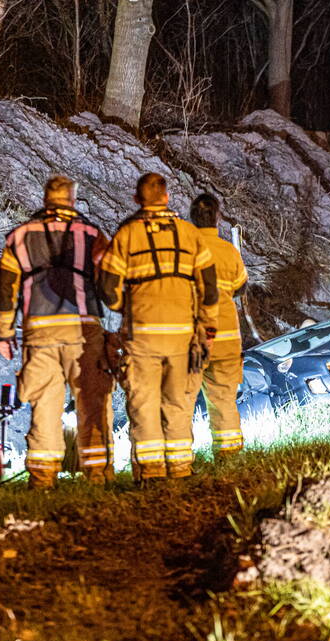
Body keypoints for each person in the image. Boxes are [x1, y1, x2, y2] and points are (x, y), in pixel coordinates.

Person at [0, 175, 115, 489]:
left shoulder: (20, 236)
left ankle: (43, 478)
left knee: (45, 405)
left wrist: (5, 334)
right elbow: (110, 283)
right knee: (91, 402)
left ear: (46, 200)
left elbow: (6, 289)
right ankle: (98, 476)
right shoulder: (92, 235)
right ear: (73, 200)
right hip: (83, 330)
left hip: (40, 333)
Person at [98, 173, 219, 482]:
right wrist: (207, 332)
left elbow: (108, 289)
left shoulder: (127, 235)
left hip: (143, 337)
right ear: (167, 197)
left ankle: (151, 474)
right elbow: (209, 289)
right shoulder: (189, 234)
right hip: (182, 337)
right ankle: (180, 470)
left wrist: (120, 315)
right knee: (178, 404)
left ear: (137, 200)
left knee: (144, 404)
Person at [187, 193, 248, 459]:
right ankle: (229, 456)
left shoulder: (184, 251)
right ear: (217, 217)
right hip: (226, 340)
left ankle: (179, 461)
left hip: (192, 339)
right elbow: (241, 287)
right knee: (224, 400)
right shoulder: (228, 251)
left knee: (181, 402)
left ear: (191, 218)